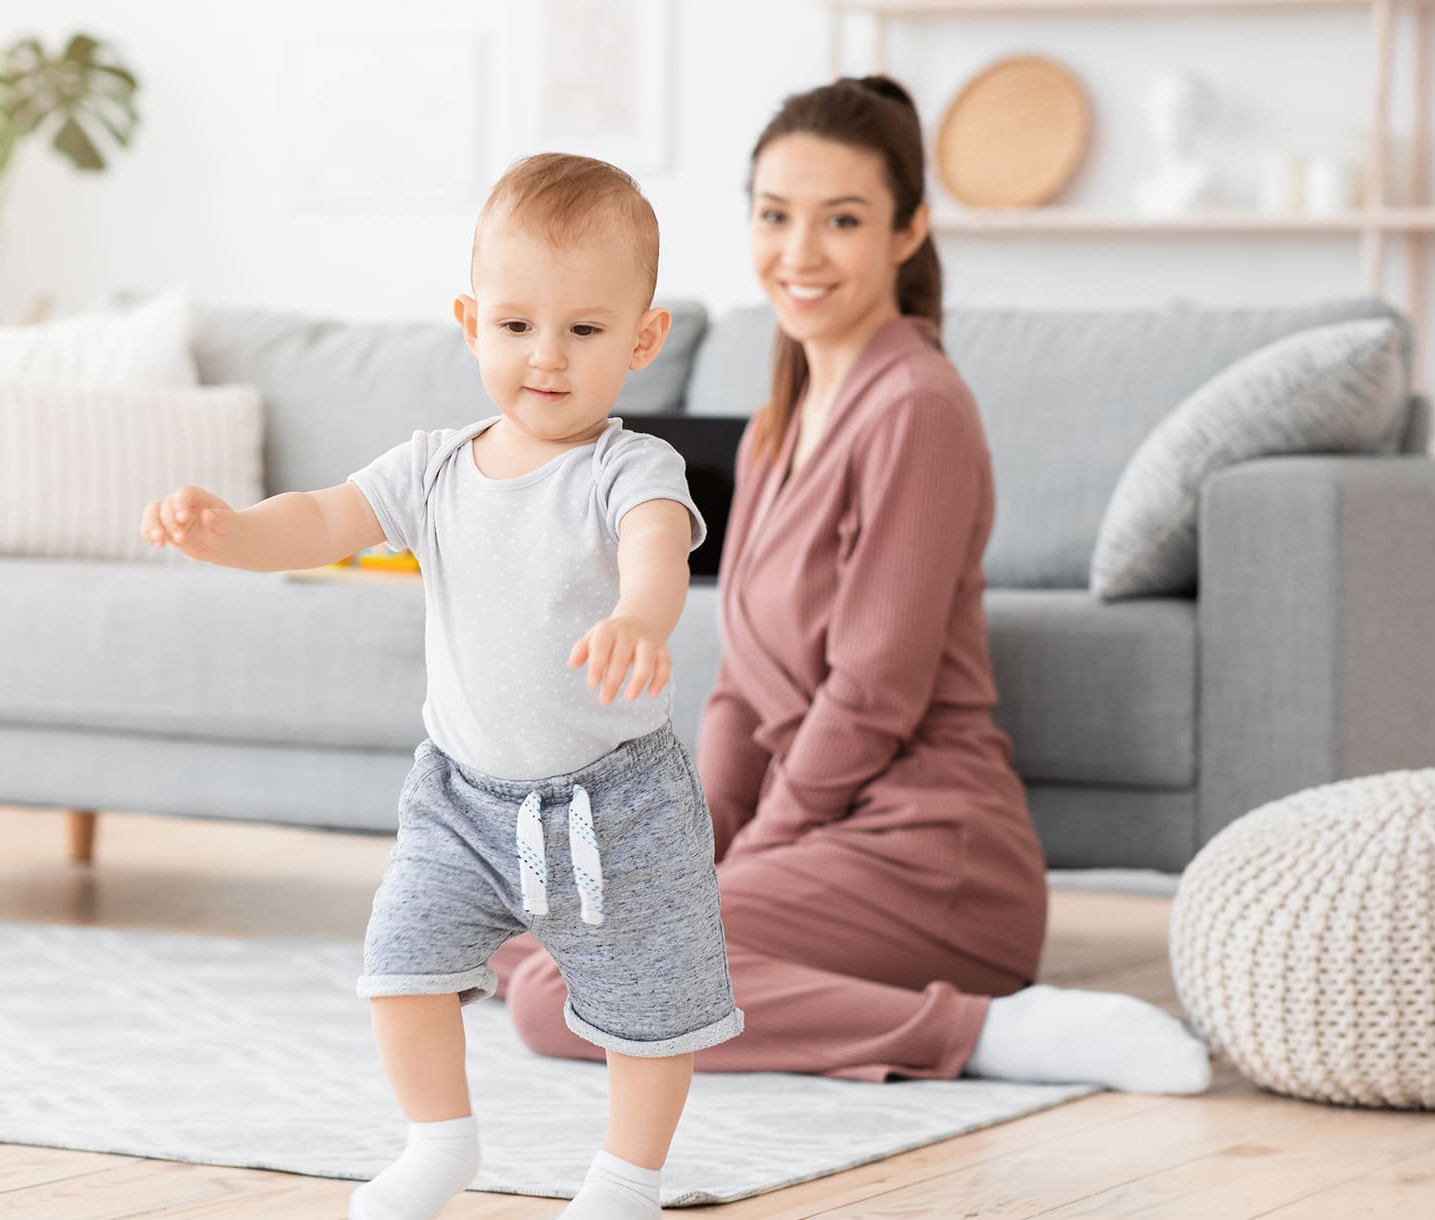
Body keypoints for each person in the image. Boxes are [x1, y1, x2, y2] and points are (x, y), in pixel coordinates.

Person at [493, 77, 1212, 1098]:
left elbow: (874, 691)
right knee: (524, 950)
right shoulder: (776, 423)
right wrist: (695, 851)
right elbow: (745, 687)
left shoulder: (917, 405)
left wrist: (738, 870)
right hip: (819, 836)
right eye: (776, 216)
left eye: (843, 220)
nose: (800, 252)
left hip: (928, 851)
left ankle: (988, 1031)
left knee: (558, 992)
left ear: (909, 230)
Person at [141, 152, 740, 1220]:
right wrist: (228, 531)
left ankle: (627, 1178)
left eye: (585, 331)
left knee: (655, 1007)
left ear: (643, 340)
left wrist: (642, 620)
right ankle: (437, 1141)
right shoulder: (432, 466)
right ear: (471, 321)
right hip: (461, 795)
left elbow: (657, 553)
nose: (545, 357)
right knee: (400, 966)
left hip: (614, 806)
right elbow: (321, 518)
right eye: (516, 324)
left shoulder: (632, 467)